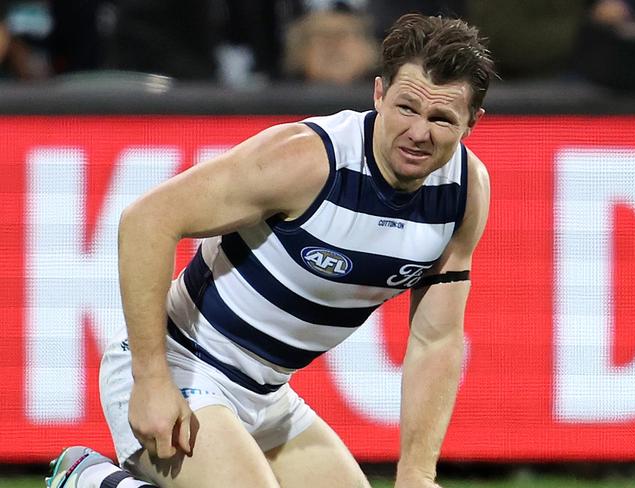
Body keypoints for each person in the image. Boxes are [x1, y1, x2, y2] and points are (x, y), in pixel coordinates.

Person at [46, 13, 495, 488]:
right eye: (406, 108)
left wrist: (417, 473)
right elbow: (146, 221)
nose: (419, 133)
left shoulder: (465, 193)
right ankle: (88, 481)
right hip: (185, 366)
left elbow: (435, 340)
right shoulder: (307, 160)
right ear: (379, 94)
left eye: (441, 118)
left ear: (471, 123)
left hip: (269, 396)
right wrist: (152, 380)